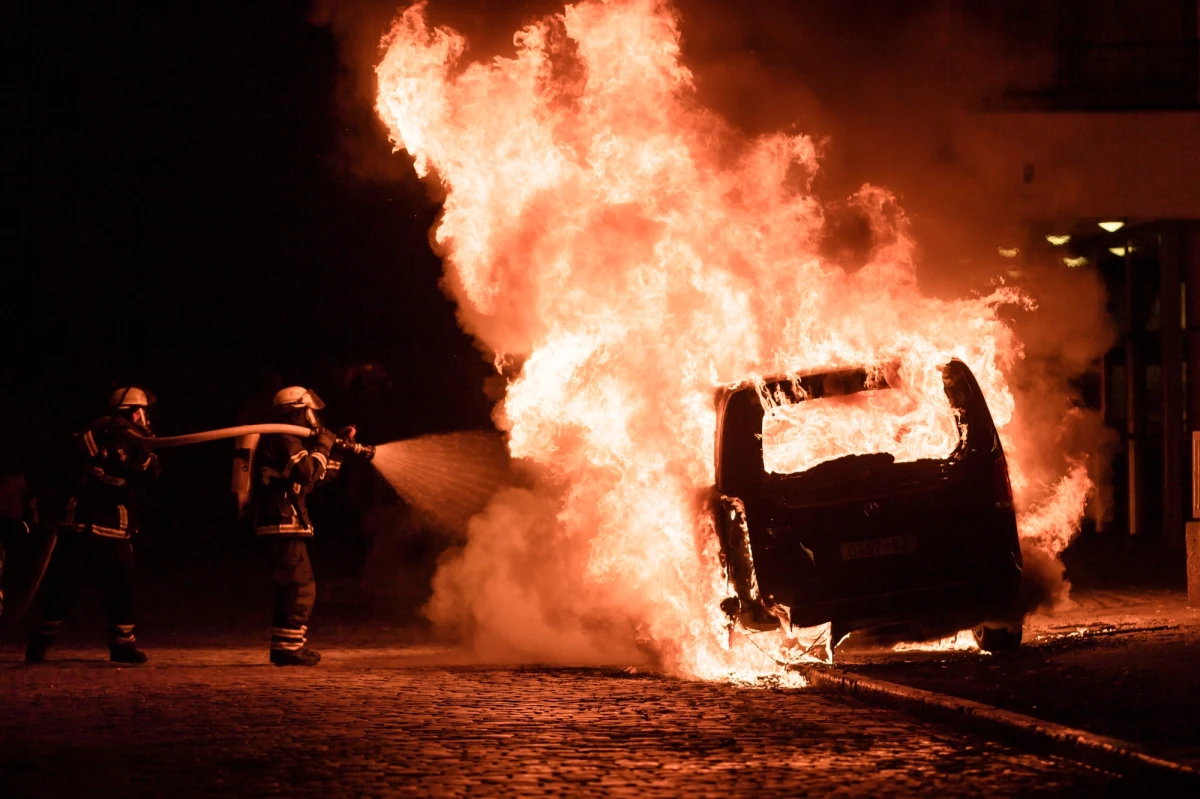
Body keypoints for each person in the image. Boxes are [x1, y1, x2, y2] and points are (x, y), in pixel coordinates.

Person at [26, 387, 162, 664]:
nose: (143, 418)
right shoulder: (99, 430)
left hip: (115, 524)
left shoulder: (142, 442)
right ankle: (40, 640)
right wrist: (99, 458)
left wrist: (140, 455)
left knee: (123, 586)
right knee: (62, 585)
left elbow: (151, 475)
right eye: (141, 412)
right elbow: (72, 462)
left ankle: (122, 644)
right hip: (81, 522)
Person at [251, 386, 351, 666]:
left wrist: (337, 451)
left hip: (286, 520)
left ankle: (288, 645)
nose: (314, 417)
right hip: (281, 522)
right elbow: (307, 470)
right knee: (300, 586)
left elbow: (315, 479)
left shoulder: (289, 440)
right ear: (299, 410)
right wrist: (323, 445)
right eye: (310, 411)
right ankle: (288, 649)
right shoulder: (283, 439)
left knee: (294, 586)